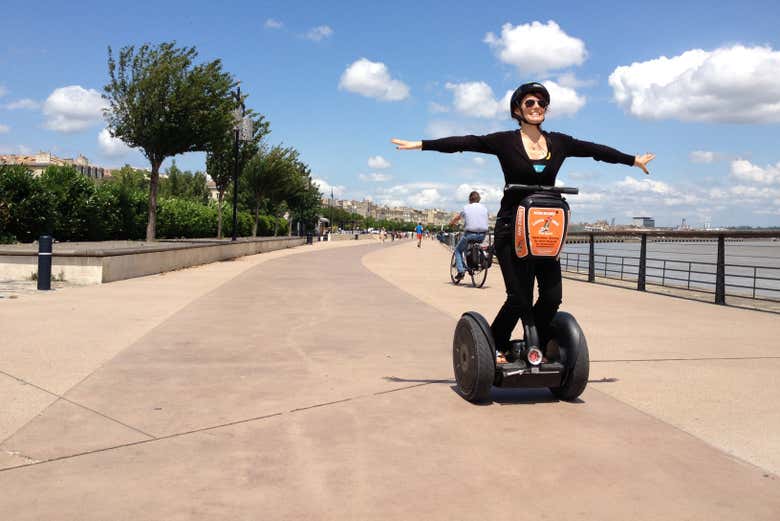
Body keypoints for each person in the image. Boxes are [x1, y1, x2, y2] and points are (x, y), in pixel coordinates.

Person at [391, 82, 654, 357]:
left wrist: (633, 160)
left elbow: (595, 151)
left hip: (545, 231)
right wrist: (421, 144)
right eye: (530, 103)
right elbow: (467, 143)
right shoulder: (505, 141)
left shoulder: (559, 142)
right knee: (519, 298)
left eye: (542, 103)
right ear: (518, 109)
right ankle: (497, 345)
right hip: (511, 228)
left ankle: (535, 342)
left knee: (552, 298)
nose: (537, 107)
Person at [449, 190, 489, 282]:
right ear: (479, 199)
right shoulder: (484, 208)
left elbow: (457, 218)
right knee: (469, 246)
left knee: (458, 250)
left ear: (469, 199)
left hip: (470, 234)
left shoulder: (466, 208)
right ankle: (471, 266)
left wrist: (451, 223)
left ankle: (461, 271)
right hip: (482, 235)